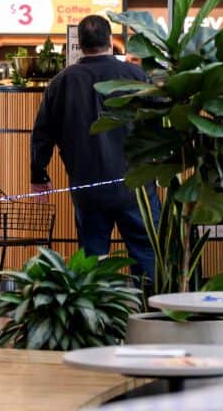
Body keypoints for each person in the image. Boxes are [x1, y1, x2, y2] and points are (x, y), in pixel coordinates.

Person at [31, 15, 159, 277]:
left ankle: (98, 316)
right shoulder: (136, 76)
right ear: (111, 40)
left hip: (88, 189)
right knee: (146, 255)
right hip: (135, 188)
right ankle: (151, 312)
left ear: (79, 44)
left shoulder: (61, 82)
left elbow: (42, 134)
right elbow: (158, 125)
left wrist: (39, 174)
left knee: (92, 261)